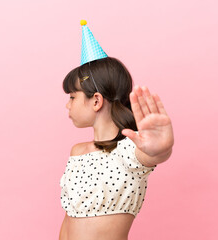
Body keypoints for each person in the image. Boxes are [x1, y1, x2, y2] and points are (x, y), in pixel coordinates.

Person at [59, 21, 174, 240]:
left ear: (96, 101)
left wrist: (161, 148)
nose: (67, 104)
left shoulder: (130, 150)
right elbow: (68, 220)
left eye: (72, 97)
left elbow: (151, 154)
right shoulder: (77, 152)